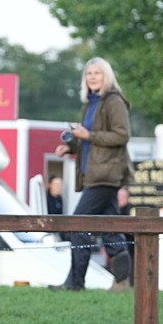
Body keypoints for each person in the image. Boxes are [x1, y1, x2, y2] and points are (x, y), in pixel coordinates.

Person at [50, 57, 132, 292]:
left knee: (79, 224)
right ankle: (122, 283)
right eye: (89, 73)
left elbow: (122, 135)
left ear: (107, 76)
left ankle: (75, 283)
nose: (92, 77)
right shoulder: (90, 103)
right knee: (110, 228)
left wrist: (89, 136)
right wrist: (71, 147)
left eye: (97, 73)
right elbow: (90, 140)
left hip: (105, 175)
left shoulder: (113, 101)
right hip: (94, 174)